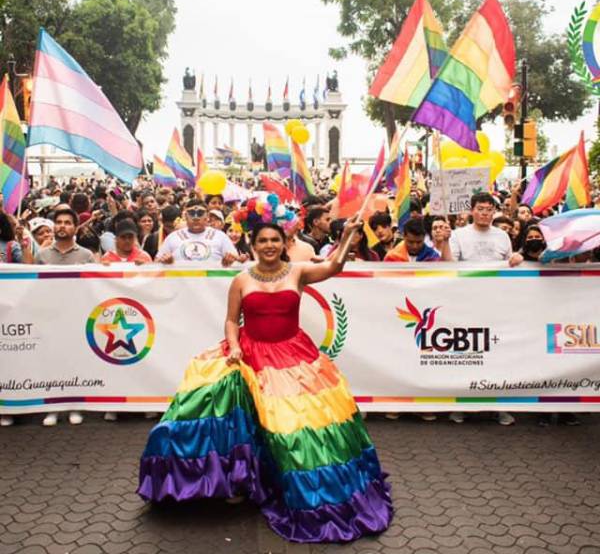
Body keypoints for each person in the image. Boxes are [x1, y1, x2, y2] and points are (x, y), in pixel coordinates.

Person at [138, 216, 393, 543]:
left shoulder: (298, 272)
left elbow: (334, 266)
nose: (269, 245)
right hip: (249, 354)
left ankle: (286, 486)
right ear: (253, 245)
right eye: (263, 241)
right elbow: (232, 321)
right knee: (217, 412)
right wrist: (233, 346)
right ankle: (238, 480)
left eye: (275, 240)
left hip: (292, 356)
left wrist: (345, 237)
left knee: (295, 426)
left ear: (284, 244)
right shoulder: (241, 279)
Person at [445, 193, 519, 426]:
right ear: (472, 210)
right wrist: (444, 243)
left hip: (497, 305)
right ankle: (462, 406)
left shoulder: (503, 236)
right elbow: (449, 267)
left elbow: (512, 264)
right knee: (467, 355)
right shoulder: (458, 235)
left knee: (497, 356)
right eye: (480, 209)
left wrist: (517, 260)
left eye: (489, 209)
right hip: (466, 304)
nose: (485, 213)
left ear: (494, 212)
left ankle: (499, 407)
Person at [34, 208, 95, 426]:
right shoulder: (42, 255)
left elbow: (95, 286)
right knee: (51, 361)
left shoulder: (86, 256)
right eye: (58, 222)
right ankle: (53, 407)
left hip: (78, 316)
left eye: (67, 222)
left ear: (75, 228)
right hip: (50, 316)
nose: (62, 226)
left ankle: (74, 405)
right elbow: (32, 286)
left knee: (75, 360)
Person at [155, 199, 237, 265]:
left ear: (207, 216)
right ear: (185, 216)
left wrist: (229, 262)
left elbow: (236, 262)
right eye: (191, 213)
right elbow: (156, 264)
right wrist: (167, 263)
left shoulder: (221, 237)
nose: (196, 218)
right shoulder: (173, 237)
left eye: (200, 213)